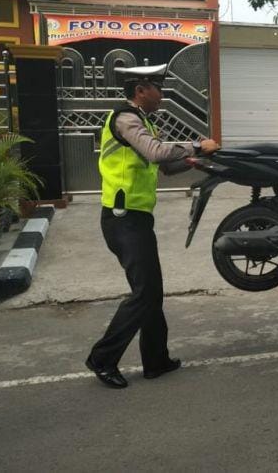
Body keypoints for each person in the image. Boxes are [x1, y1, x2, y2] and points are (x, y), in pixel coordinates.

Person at [85, 64, 219, 389]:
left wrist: (191, 161)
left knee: (152, 292)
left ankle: (156, 360)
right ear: (141, 89)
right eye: (158, 88)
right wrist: (197, 146)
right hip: (122, 219)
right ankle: (102, 359)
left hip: (137, 218)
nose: (162, 95)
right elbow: (155, 152)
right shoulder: (124, 119)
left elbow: (161, 166)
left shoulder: (142, 121)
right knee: (144, 293)